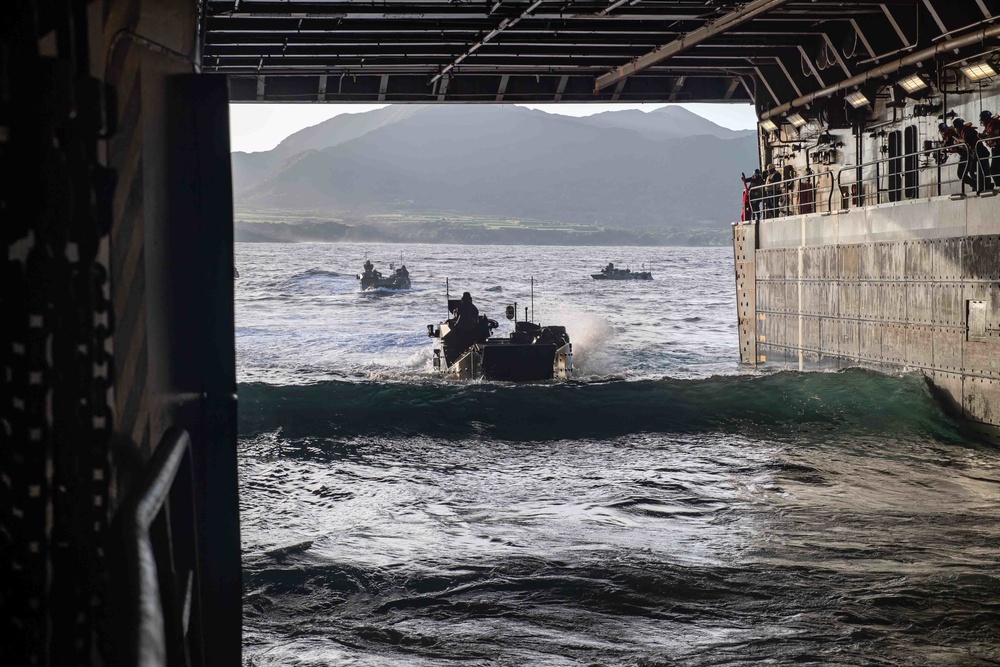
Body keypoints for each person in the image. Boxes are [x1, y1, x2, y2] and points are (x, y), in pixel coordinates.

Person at [981, 110, 1000, 188]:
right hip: (995, 149)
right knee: (995, 169)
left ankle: (999, 185)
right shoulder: (987, 128)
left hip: (999, 148)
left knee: (994, 169)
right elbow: (984, 134)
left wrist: (986, 136)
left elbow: (996, 133)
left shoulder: (997, 124)